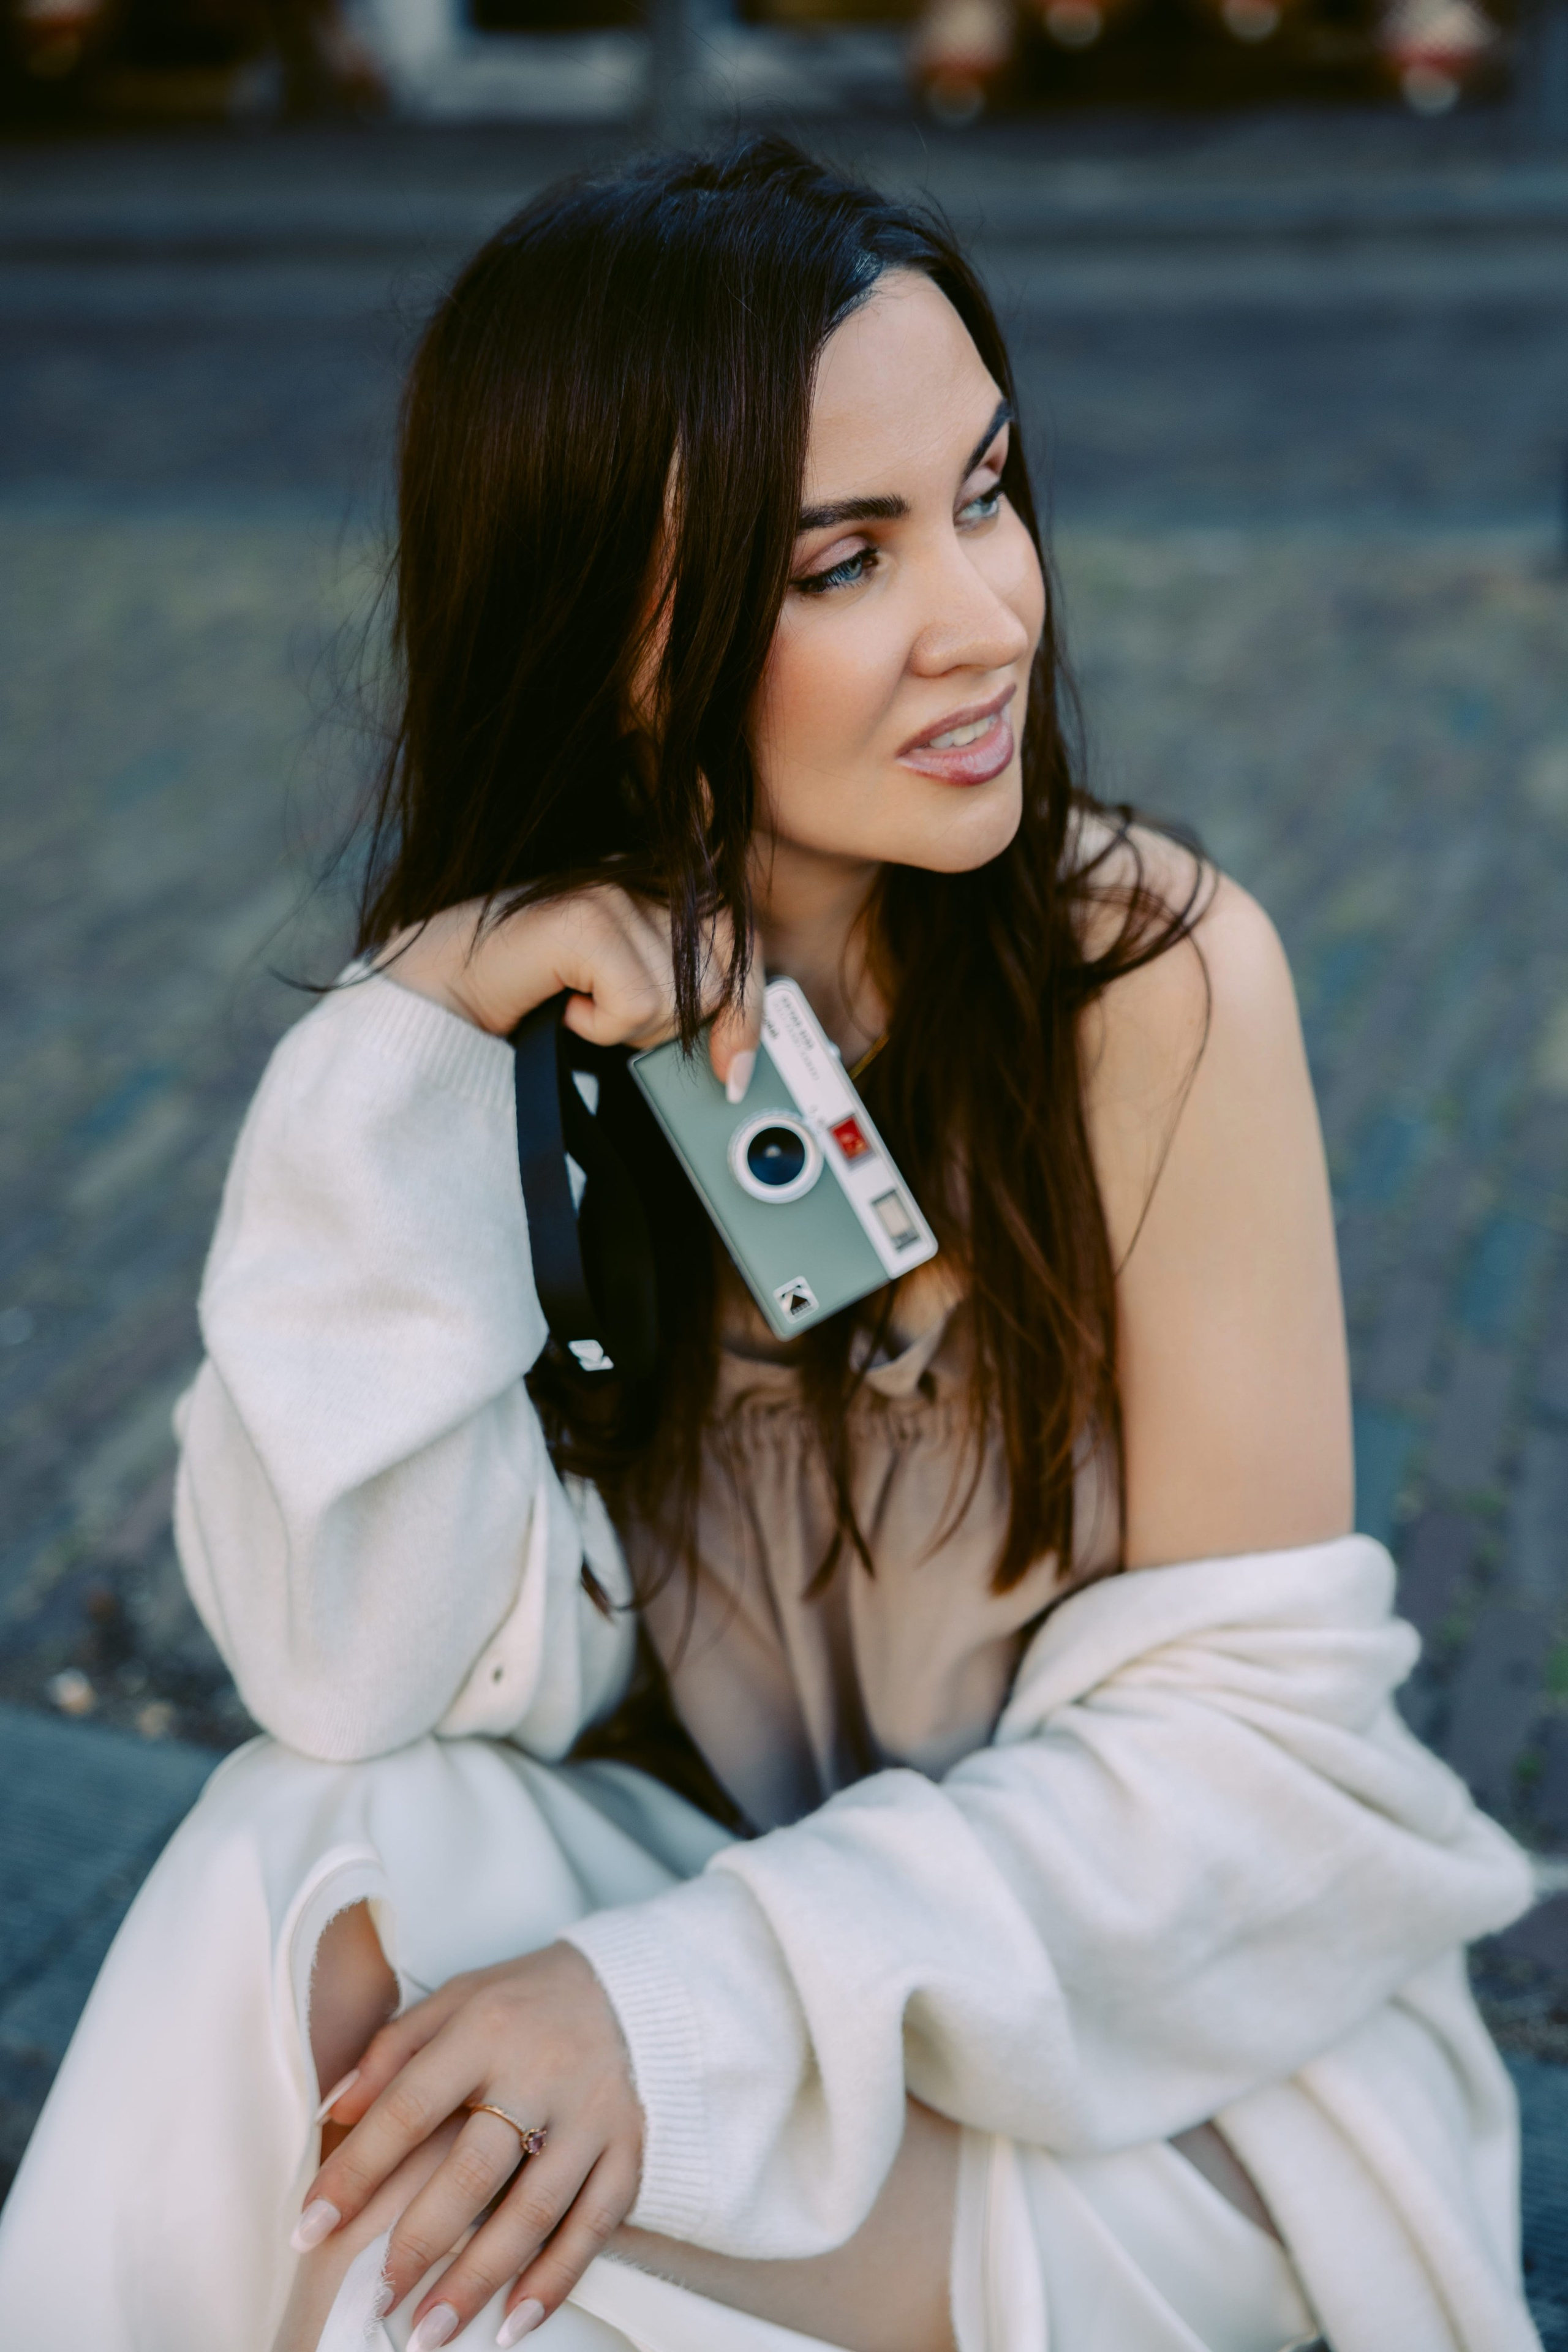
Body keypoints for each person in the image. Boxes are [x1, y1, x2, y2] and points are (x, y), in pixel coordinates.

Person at [0, 137, 1542, 2352]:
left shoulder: (1151, 983)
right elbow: (350, 1675)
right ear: (616, 634)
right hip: (752, 1985)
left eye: (989, 494)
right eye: (848, 557)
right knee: (291, 1866)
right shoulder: (534, 1052)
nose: (992, 613)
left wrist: (679, 2006)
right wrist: (402, 1058)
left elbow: (1254, 1769)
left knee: (408, 2262)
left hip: (1166, 2082)